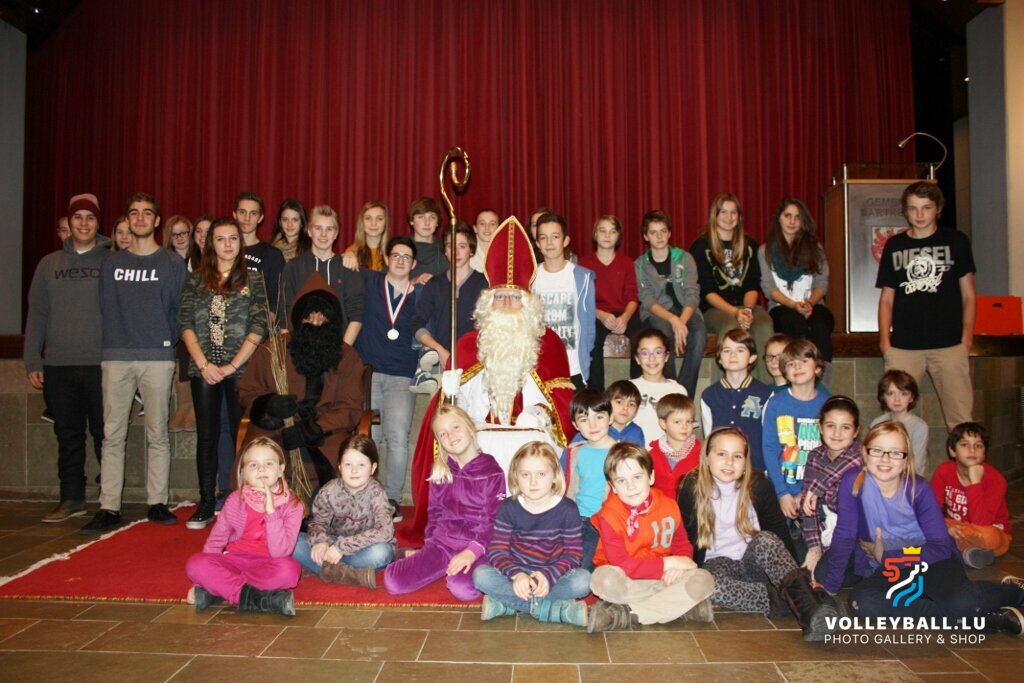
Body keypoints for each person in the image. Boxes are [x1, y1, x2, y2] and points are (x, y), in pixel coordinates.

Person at [408, 218, 577, 540]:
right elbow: (451, 408)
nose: (507, 304)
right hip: (480, 435)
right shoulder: (469, 344)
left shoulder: (549, 342)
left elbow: (564, 400)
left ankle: (532, 531)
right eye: (500, 297)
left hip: (531, 436)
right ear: (489, 302)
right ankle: (471, 529)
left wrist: (538, 414)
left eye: (514, 297)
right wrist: (452, 398)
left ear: (527, 303)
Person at [823, 422, 1024, 635]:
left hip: (932, 561)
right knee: (863, 603)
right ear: (864, 452)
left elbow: (940, 548)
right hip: (892, 568)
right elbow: (844, 534)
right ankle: (980, 618)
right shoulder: (853, 482)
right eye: (877, 450)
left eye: (895, 453)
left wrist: (889, 557)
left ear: (906, 458)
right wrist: (830, 587)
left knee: (962, 603)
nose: (885, 459)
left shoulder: (918, 489)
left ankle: (1015, 592)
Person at [80, 193, 187, 535]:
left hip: (157, 357)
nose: (140, 218)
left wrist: (164, 340)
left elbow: (179, 309)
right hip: (117, 357)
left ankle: (157, 502)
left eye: (147, 213)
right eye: (134, 213)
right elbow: (104, 306)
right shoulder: (112, 264)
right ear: (127, 220)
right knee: (112, 434)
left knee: (157, 432)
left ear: (157, 221)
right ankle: (109, 506)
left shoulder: (171, 263)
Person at [677, 427, 839, 642]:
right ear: (706, 458)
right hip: (717, 564)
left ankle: (808, 608)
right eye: (721, 454)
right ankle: (801, 601)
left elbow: (779, 533)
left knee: (766, 540)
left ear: (745, 462)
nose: (729, 462)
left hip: (755, 560)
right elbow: (686, 537)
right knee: (708, 585)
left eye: (737, 456)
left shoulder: (758, 485)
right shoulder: (691, 486)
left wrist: (800, 577)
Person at [25, 193, 110, 523]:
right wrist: (33, 360)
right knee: (68, 435)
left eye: (90, 217)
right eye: (78, 217)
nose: (84, 223)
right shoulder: (49, 264)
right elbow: (37, 314)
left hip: (102, 364)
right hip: (58, 364)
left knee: (105, 435)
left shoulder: (112, 261)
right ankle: (71, 497)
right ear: (69, 223)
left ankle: (109, 501)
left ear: (98, 223)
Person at [178, 218, 268, 529]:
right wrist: (204, 364)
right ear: (210, 244)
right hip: (203, 369)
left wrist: (231, 366)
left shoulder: (253, 279)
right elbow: (185, 324)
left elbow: (259, 326)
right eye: (220, 239)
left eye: (233, 238)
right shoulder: (195, 280)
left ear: (240, 243)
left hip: (240, 369)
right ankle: (206, 501)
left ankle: (244, 500)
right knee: (207, 435)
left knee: (242, 436)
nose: (227, 244)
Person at [238, 274, 365, 486]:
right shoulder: (272, 350)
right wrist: (269, 405)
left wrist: (313, 428)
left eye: (322, 318)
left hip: (325, 432)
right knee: (258, 455)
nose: (315, 323)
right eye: (309, 317)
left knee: (344, 460)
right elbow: (247, 392)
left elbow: (350, 407)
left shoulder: (347, 356)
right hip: (276, 430)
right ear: (298, 319)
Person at [877, 181, 976, 430]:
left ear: (938, 209)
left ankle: (963, 459)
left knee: (961, 419)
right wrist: (885, 343)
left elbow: (969, 295)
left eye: (926, 208)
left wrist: (966, 338)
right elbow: (887, 298)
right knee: (895, 422)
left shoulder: (956, 241)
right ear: (905, 211)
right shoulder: (894, 245)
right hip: (903, 346)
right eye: (913, 208)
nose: (919, 214)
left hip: (950, 345)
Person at [587, 442, 716, 632]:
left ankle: (626, 615)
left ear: (651, 476)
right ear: (612, 487)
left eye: (637, 477)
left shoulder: (669, 506)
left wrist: (679, 565)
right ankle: (679, 606)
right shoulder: (609, 516)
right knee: (602, 579)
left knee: (704, 579)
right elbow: (623, 564)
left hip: (663, 579)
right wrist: (670, 563)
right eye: (621, 481)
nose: (631, 486)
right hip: (627, 578)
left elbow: (681, 543)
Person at [384, 405, 505, 600]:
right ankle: (418, 556)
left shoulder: (492, 472)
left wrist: (472, 552)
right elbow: (435, 513)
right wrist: (428, 548)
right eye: (443, 434)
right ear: (439, 441)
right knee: (393, 580)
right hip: (442, 544)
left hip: (477, 545)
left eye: (456, 427)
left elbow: (494, 521)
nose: (451, 436)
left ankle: (483, 567)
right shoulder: (440, 471)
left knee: (462, 589)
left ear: (470, 427)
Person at [473, 441, 591, 625]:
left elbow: (574, 553)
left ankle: (508, 605)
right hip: (515, 573)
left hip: (552, 575)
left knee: (584, 581)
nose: (533, 482)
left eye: (541, 474)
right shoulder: (508, 507)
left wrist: (549, 575)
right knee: (480, 575)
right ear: (516, 477)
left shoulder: (568, 509)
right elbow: (497, 550)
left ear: (554, 476)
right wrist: (517, 575)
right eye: (525, 475)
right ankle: (552, 610)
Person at [184, 437, 302, 616]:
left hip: (268, 563)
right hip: (235, 561)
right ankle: (259, 599)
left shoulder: (293, 506)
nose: (261, 469)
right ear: (244, 473)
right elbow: (216, 541)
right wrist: (199, 581)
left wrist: (271, 511)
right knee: (195, 564)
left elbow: (280, 553)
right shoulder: (235, 500)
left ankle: (219, 591)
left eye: (269, 463)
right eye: (253, 465)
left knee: (290, 571)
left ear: (281, 469)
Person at [354, 236, 421, 520]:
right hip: (368, 373)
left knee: (397, 437)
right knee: (369, 437)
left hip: (401, 376)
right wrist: (348, 253)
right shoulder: (370, 281)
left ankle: (392, 498)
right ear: (386, 259)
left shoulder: (419, 294)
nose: (400, 261)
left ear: (414, 264)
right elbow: (346, 263)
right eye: (396, 255)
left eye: (407, 257)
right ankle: (366, 495)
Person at [293, 434, 395, 587]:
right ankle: (349, 574)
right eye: (348, 464)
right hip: (331, 543)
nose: (354, 470)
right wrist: (320, 542)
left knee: (382, 553)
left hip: (363, 548)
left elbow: (385, 531)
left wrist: (341, 548)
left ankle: (323, 568)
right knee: (292, 542)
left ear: (373, 468)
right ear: (340, 467)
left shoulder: (377, 493)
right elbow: (318, 523)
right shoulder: (329, 490)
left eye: (361, 465)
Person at [691, 194, 773, 383]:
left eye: (733, 212)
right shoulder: (701, 246)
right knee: (731, 327)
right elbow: (707, 291)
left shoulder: (750, 245)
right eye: (723, 212)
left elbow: (752, 284)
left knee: (764, 325)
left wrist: (747, 310)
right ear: (715, 215)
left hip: (746, 306)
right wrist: (735, 312)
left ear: (739, 216)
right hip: (715, 309)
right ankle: (727, 386)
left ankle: (765, 387)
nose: (729, 217)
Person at [634, 210, 706, 397]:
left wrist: (682, 321)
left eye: (663, 231)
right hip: (658, 312)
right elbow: (647, 300)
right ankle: (669, 394)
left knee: (699, 333)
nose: (659, 236)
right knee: (665, 335)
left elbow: (692, 294)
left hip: (686, 310)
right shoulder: (640, 265)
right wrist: (674, 320)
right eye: (653, 232)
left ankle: (683, 395)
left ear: (669, 233)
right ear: (645, 237)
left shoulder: (685, 258)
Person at [409, 222, 488, 393]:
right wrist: (438, 349)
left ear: (471, 250)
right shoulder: (435, 284)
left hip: (476, 365)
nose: (456, 252)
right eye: (450, 246)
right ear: (445, 250)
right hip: (443, 363)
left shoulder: (484, 284)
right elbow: (416, 322)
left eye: (462, 246)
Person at [761, 339, 830, 524]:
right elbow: (769, 449)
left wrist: (810, 492)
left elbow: (830, 454)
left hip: (816, 491)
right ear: (785, 371)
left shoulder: (827, 405)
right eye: (791, 363)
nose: (797, 366)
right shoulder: (775, 404)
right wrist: (782, 493)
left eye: (804, 361)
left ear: (818, 368)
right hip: (782, 489)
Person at [758, 199, 835, 364]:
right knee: (794, 322)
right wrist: (794, 305)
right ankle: (796, 370)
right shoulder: (765, 251)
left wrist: (810, 303)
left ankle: (822, 376)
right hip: (781, 307)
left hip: (813, 304)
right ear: (779, 218)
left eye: (797, 217)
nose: (792, 221)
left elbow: (822, 283)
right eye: (788, 216)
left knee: (820, 324)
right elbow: (768, 289)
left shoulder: (815, 249)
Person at [799, 396, 863, 585]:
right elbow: (808, 509)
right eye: (830, 426)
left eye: (845, 427)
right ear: (820, 427)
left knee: (822, 573)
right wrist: (814, 547)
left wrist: (818, 487)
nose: (837, 433)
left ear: (856, 431)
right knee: (798, 562)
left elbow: (849, 462)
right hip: (825, 530)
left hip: (853, 538)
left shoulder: (862, 456)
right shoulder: (815, 456)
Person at [931, 422, 1011, 569]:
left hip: (987, 530)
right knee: (925, 522)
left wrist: (975, 483)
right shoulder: (944, 471)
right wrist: (945, 526)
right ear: (952, 451)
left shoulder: (996, 480)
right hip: (955, 527)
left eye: (978, 445)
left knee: (990, 537)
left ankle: (949, 548)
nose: (972, 450)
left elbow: (982, 522)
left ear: (984, 453)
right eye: (965, 444)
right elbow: (931, 508)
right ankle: (970, 553)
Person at [281, 205, 364, 346]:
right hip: (300, 348)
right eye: (318, 228)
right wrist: (289, 350)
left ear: (336, 234)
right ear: (309, 231)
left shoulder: (348, 268)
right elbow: (284, 313)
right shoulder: (293, 267)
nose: (323, 234)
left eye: (329, 229)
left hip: (338, 347)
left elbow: (356, 316)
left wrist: (343, 351)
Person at [532, 212, 596, 390]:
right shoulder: (530, 278)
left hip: (573, 366)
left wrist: (584, 358)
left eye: (555, 237)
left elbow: (589, 326)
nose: (549, 243)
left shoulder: (582, 277)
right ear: (537, 244)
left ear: (565, 240)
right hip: (540, 367)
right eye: (543, 238)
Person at [578, 215, 642, 391]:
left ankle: (636, 390)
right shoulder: (584, 264)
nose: (607, 235)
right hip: (595, 313)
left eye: (612, 231)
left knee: (641, 337)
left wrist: (625, 318)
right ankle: (596, 393)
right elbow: (582, 299)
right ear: (595, 234)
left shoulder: (626, 263)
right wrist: (600, 315)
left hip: (623, 313)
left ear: (618, 236)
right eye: (602, 230)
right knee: (592, 338)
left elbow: (633, 297)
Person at [699, 328, 773, 472]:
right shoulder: (709, 395)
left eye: (740, 350)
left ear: (752, 357)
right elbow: (709, 438)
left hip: (755, 469)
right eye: (727, 350)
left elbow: (769, 438)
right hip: (722, 470)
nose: (733, 355)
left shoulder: (765, 394)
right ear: (719, 358)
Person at [561, 389, 616, 571]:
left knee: (582, 569)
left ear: (611, 418)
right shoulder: (574, 451)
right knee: (556, 561)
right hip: (574, 519)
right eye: (584, 419)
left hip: (603, 523)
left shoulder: (622, 453)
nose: (592, 425)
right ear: (576, 425)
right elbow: (565, 487)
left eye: (599, 417)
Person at [235, 192, 286, 325]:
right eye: (242, 212)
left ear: (260, 218)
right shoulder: (222, 251)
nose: (247, 218)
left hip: (258, 328)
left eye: (253, 213)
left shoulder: (273, 255)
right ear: (234, 214)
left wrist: (260, 329)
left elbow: (276, 300)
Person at [629, 328, 686, 442]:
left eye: (658, 352)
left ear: (667, 356)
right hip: (635, 451)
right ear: (637, 358)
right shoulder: (628, 388)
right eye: (645, 353)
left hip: (667, 452)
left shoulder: (678, 391)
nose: (652, 358)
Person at [870, 369, 929, 477]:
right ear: (883, 397)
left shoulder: (919, 427)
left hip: (908, 479)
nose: (897, 399)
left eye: (903, 394)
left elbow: (916, 465)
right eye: (890, 393)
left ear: (911, 397)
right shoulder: (877, 423)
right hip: (881, 476)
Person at [648, 393, 700, 498]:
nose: (684, 426)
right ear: (663, 424)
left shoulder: (701, 453)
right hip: (661, 506)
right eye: (677, 422)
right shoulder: (652, 455)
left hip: (691, 506)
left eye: (689, 421)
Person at [406, 196, 449, 284]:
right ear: (411, 221)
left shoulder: (446, 250)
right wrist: (412, 282)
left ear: (437, 222)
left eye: (432, 217)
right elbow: (388, 285)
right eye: (421, 217)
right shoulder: (400, 247)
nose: (427, 223)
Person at [343, 200, 389, 271]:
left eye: (379, 219)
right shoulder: (352, 252)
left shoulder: (394, 251)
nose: (373, 223)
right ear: (361, 222)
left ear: (385, 223)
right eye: (368, 218)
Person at [605, 380, 646, 446]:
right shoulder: (599, 429)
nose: (625, 407)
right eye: (619, 402)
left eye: (631, 404)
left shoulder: (636, 432)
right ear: (607, 404)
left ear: (636, 411)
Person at [270, 198, 310, 262]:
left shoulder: (310, 249)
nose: (289, 224)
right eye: (285, 219)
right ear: (280, 222)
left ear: (302, 223)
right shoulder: (271, 248)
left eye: (295, 220)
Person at [469, 208, 500, 272]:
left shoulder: (507, 251)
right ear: (475, 228)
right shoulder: (467, 251)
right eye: (482, 223)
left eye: (492, 224)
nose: (487, 228)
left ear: (499, 228)